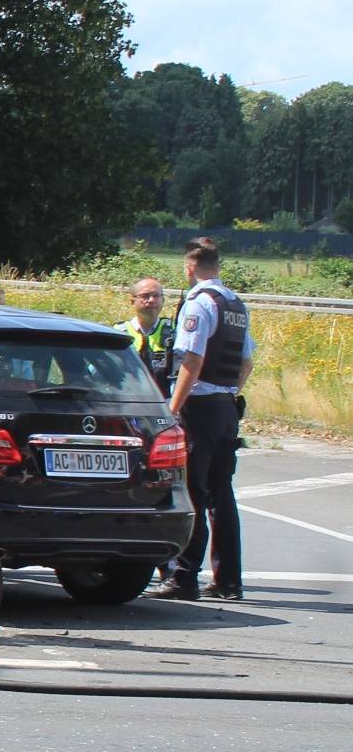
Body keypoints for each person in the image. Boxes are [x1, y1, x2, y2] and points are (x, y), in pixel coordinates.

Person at [150, 238, 255, 602]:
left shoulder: (199, 302)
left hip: (200, 408)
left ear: (190, 267)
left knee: (191, 491)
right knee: (221, 495)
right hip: (226, 407)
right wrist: (228, 392)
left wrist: (173, 408)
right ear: (217, 265)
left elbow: (191, 360)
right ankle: (228, 581)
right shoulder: (235, 303)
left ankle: (183, 577)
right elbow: (246, 362)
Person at [115, 277, 177, 396]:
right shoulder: (119, 333)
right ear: (132, 301)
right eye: (145, 296)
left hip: (165, 401)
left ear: (163, 300)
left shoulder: (174, 331)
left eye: (156, 296)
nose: (151, 300)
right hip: (128, 399)